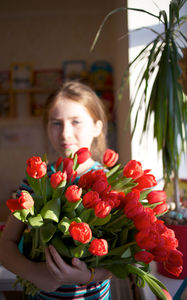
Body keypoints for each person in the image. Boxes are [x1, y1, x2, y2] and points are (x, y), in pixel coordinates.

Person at [0, 81, 112, 299]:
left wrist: (88, 275)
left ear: (97, 127)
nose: (65, 133)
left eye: (76, 122)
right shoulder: (37, 178)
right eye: (56, 123)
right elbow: (6, 245)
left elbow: (125, 259)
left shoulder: (110, 183)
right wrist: (34, 273)